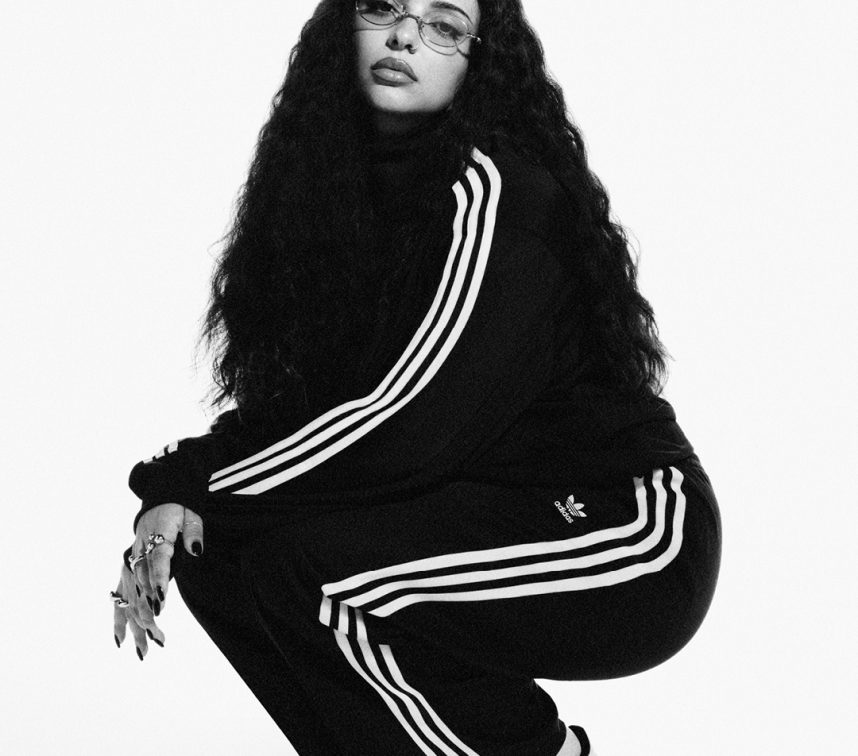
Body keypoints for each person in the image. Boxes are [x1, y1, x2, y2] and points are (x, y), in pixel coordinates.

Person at [111, 1, 722, 754]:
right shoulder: (335, 194)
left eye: (443, 25)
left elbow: (406, 420)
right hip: (478, 504)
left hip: (622, 528)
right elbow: (307, 409)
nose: (404, 35)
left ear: (480, 59)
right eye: (383, 8)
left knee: (313, 572)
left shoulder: (497, 192)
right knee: (223, 556)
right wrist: (179, 494)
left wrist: (194, 486)